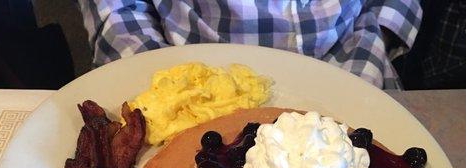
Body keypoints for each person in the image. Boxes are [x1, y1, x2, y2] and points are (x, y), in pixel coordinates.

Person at [78, 0, 422, 89]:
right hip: (189, 75)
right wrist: (164, 92)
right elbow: (115, 10)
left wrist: (381, 33)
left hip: (356, 61)